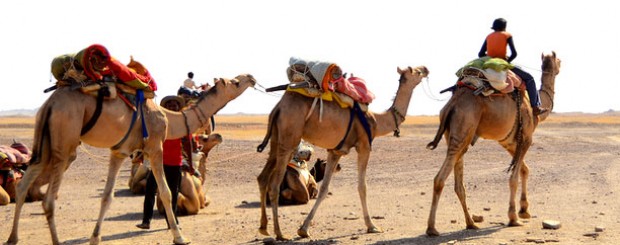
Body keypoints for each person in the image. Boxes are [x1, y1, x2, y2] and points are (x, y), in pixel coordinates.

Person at [136, 95, 195, 229]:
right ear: (166, 108)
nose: (172, 106)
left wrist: (191, 165)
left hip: (175, 164)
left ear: (178, 108)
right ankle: (146, 221)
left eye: (174, 105)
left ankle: (172, 222)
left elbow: (188, 145)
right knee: (150, 191)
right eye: (169, 105)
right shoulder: (159, 122)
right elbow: (147, 139)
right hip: (159, 163)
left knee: (174, 193)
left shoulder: (182, 126)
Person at [478, 18, 547, 115]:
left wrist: (491, 58)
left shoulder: (489, 37)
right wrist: (506, 62)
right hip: (502, 63)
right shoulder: (507, 35)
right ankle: (535, 107)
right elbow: (514, 53)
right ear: (504, 27)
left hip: (489, 63)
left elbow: (480, 54)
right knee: (530, 78)